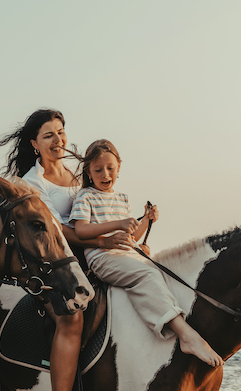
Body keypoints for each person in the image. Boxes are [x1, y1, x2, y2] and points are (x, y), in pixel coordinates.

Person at [0, 109, 125, 391]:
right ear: (35, 144)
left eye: (61, 133)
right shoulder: (33, 183)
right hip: (50, 265)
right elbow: (59, 231)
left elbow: (96, 208)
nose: (58, 140)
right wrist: (103, 240)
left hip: (89, 258)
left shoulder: (78, 176)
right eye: (49, 135)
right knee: (71, 320)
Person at [69, 139, 224, 367]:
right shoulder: (86, 197)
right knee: (147, 274)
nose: (105, 174)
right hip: (102, 258)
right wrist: (118, 223)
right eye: (98, 170)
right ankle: (186, 335)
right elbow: (81, 230)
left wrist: (146, 219)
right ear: (89, 173)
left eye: (110, 168)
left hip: (126, 254)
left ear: (119, 167)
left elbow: (132, 237)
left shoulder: (122, 199)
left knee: (164, 271)